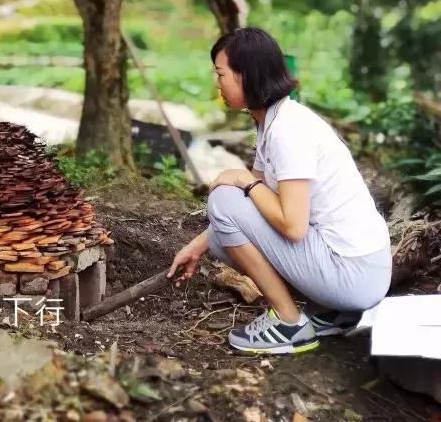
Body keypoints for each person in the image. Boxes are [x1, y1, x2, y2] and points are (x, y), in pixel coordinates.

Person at [167, 27, 392, 355]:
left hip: (353, 275)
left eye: (221, 74)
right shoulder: (272, 121)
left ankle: (288, 322)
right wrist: (196, 246)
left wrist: (244, 180)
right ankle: (331, 312)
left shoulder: (288, 131)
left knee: (223, 198)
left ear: (247, 76)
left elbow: (292, 226)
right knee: (219, 234)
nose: (217, 83)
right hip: (358, 270)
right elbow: (249, 206)